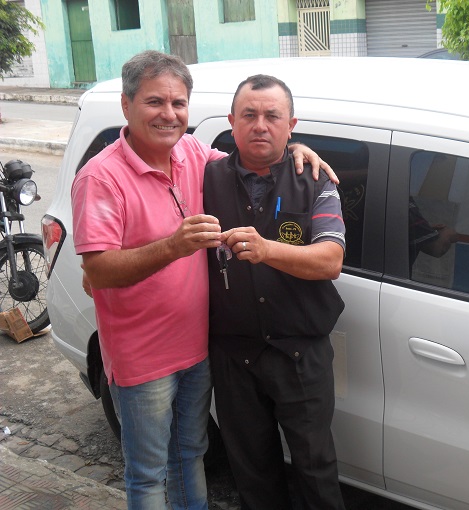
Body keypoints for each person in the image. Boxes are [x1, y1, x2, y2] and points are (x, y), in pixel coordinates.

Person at [71, 51, 334, 509]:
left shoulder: (193, 154)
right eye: (155, 102)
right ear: (126, 105)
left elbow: (255, 159)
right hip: (143, 356)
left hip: (197, 349)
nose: (169, 114)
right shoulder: (100, 177)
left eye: (178, 103)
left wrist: (296, 147)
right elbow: (97, 270)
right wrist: (172, 246)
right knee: (148, 473)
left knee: (190, 454)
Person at [204, 74, 346, 510]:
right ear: (232, 122)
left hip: (299, 354)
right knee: (252, 472)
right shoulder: (205, 177)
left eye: (272, 116)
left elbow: (330, 260)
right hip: (234, 355)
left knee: (316, 469)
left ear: (291, 125)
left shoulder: (315, 180)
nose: (260, 125)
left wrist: (267, 250)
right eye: (249, 115)